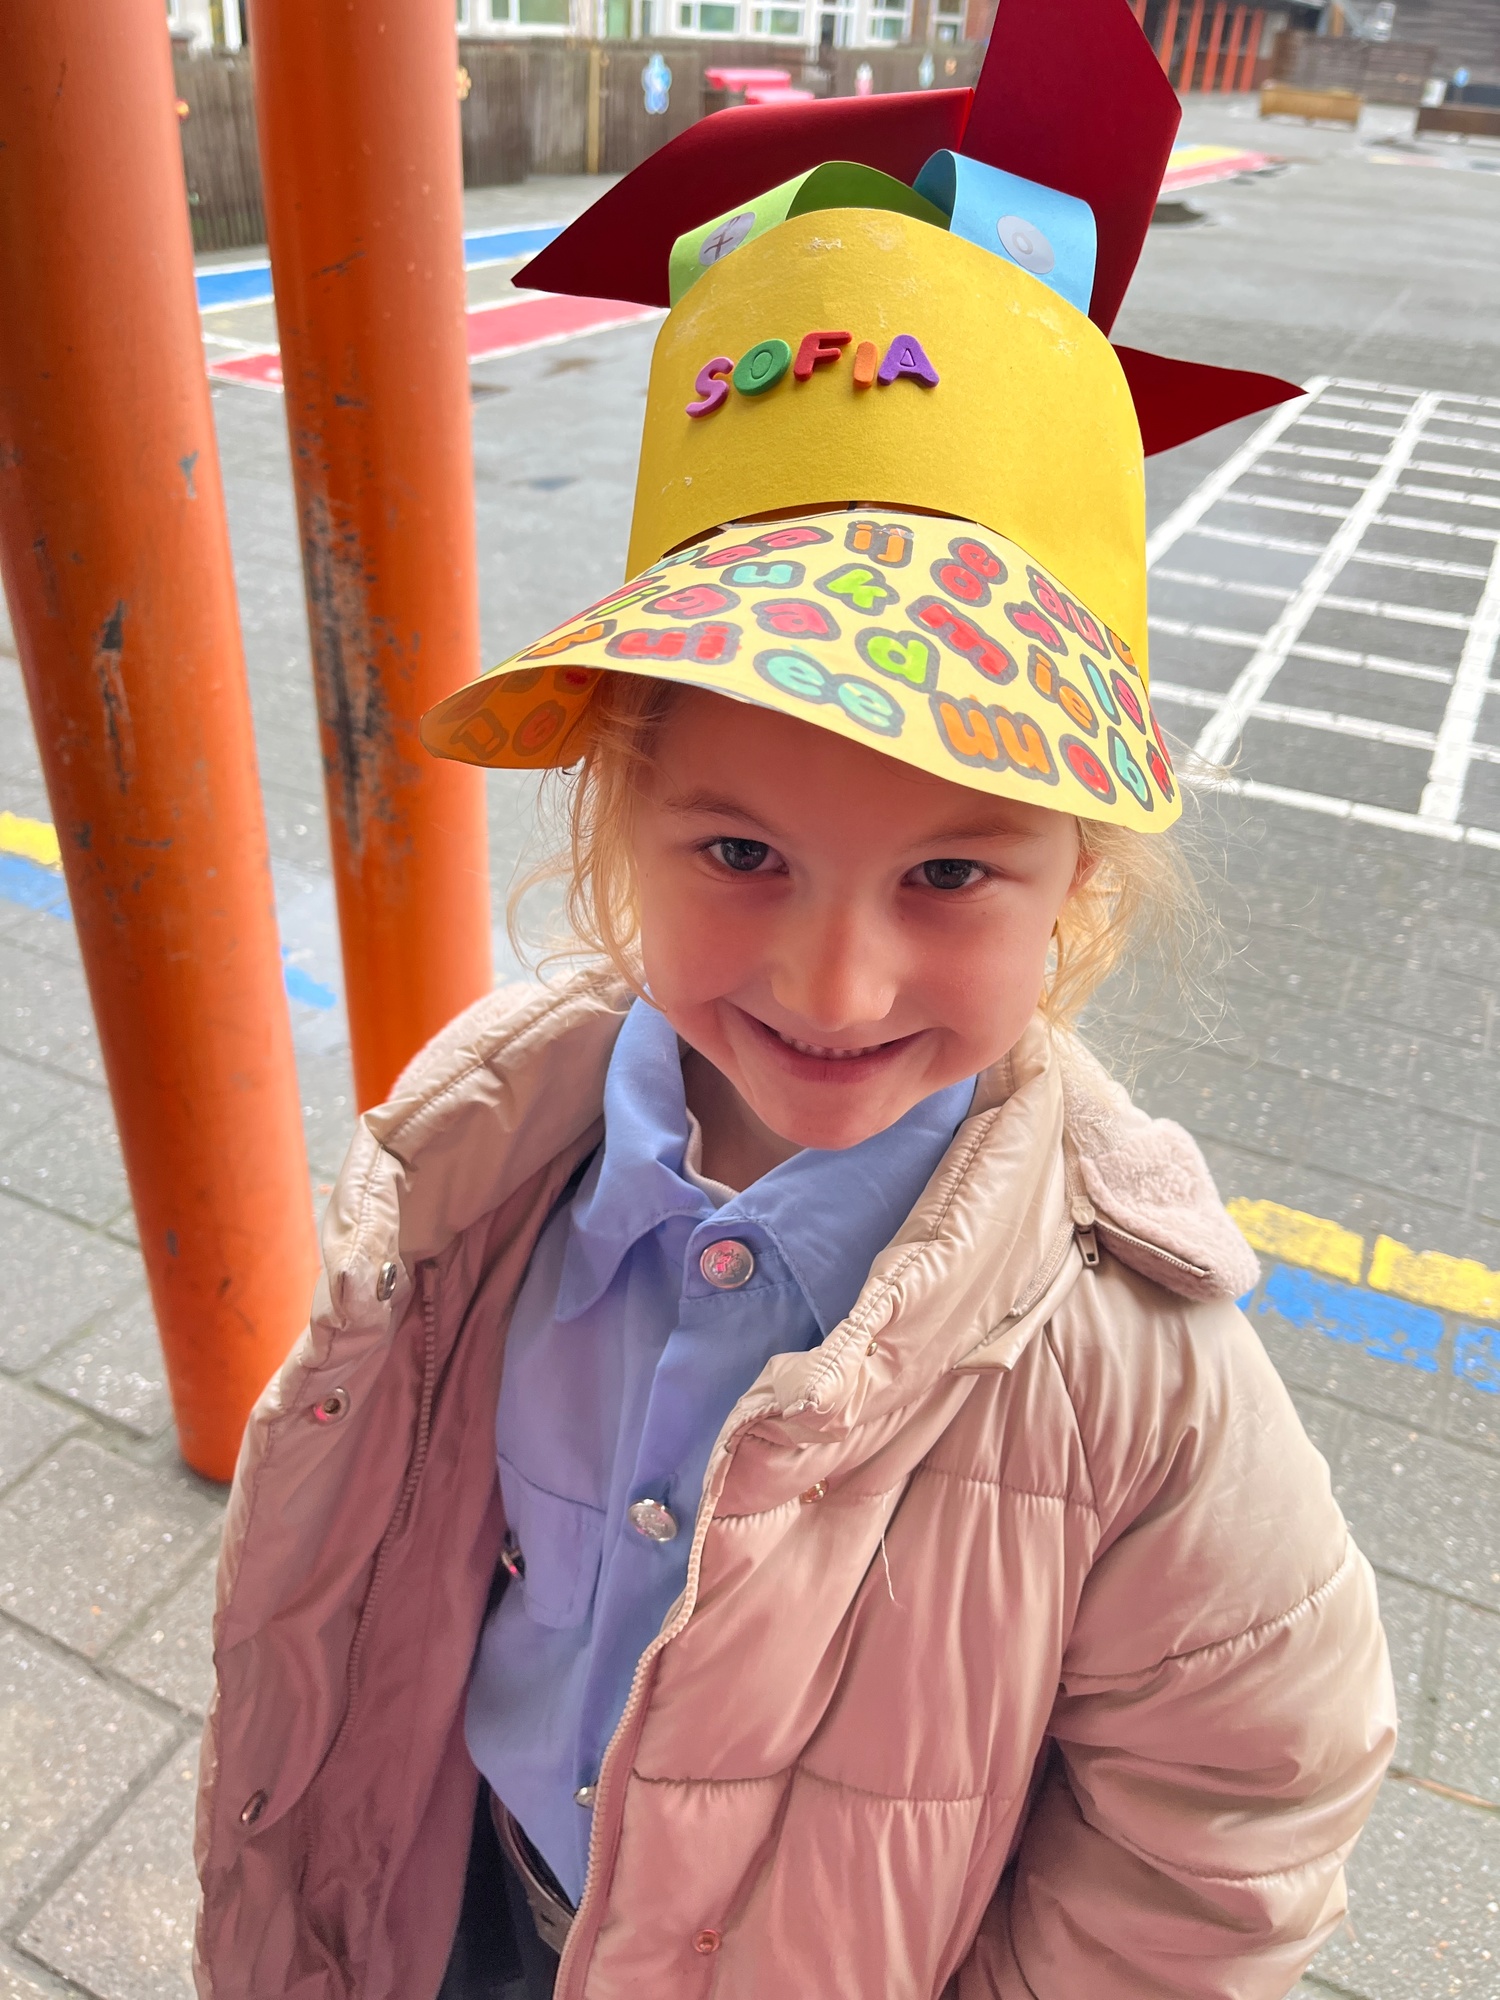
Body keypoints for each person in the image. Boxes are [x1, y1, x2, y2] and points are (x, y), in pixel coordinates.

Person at [194, 7, 1395, 1995]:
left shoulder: (1135, 1370)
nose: (836, 983)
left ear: (1079, 881)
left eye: (950, 873)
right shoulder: (482, 1169)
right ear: (620, 822)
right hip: (465, 1901)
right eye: (741, 851)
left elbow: (1242, 1807)